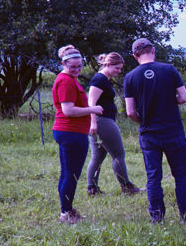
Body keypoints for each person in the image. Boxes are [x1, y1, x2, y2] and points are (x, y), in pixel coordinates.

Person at [123, 37, 186, 225]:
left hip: (149, 133)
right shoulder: (169, 70)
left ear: (134, 55)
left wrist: (143, 119)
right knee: (181, 176)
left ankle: (157, 218)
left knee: (153, 177)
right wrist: (170, 101)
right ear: (153, 50)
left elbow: (130, 112)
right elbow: (185, 98)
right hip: (173, 131)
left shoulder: (130, 77)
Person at [51, 45, 103, 223]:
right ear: (64, 63)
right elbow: (68, 110)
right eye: (72, 66)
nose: (76, 69)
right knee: (71, 175)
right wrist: (93, 109)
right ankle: (66, 213)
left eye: (79, 66)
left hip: (71, 132)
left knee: (68, 173)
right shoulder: (65, 81)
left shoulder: (69, 79)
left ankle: (67, 209)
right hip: (70, 132)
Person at [85, 52, 141, 196]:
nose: (119, 71)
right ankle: (127, 187)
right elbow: (91, 103)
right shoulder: (99, 80)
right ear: (108, 65)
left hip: (100, 121)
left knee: (97, 156)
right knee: (118, 154)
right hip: (102, 121)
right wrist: (93, 123)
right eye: (117, 68)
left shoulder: (104, 79)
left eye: (120, 68)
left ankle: (92, 189)